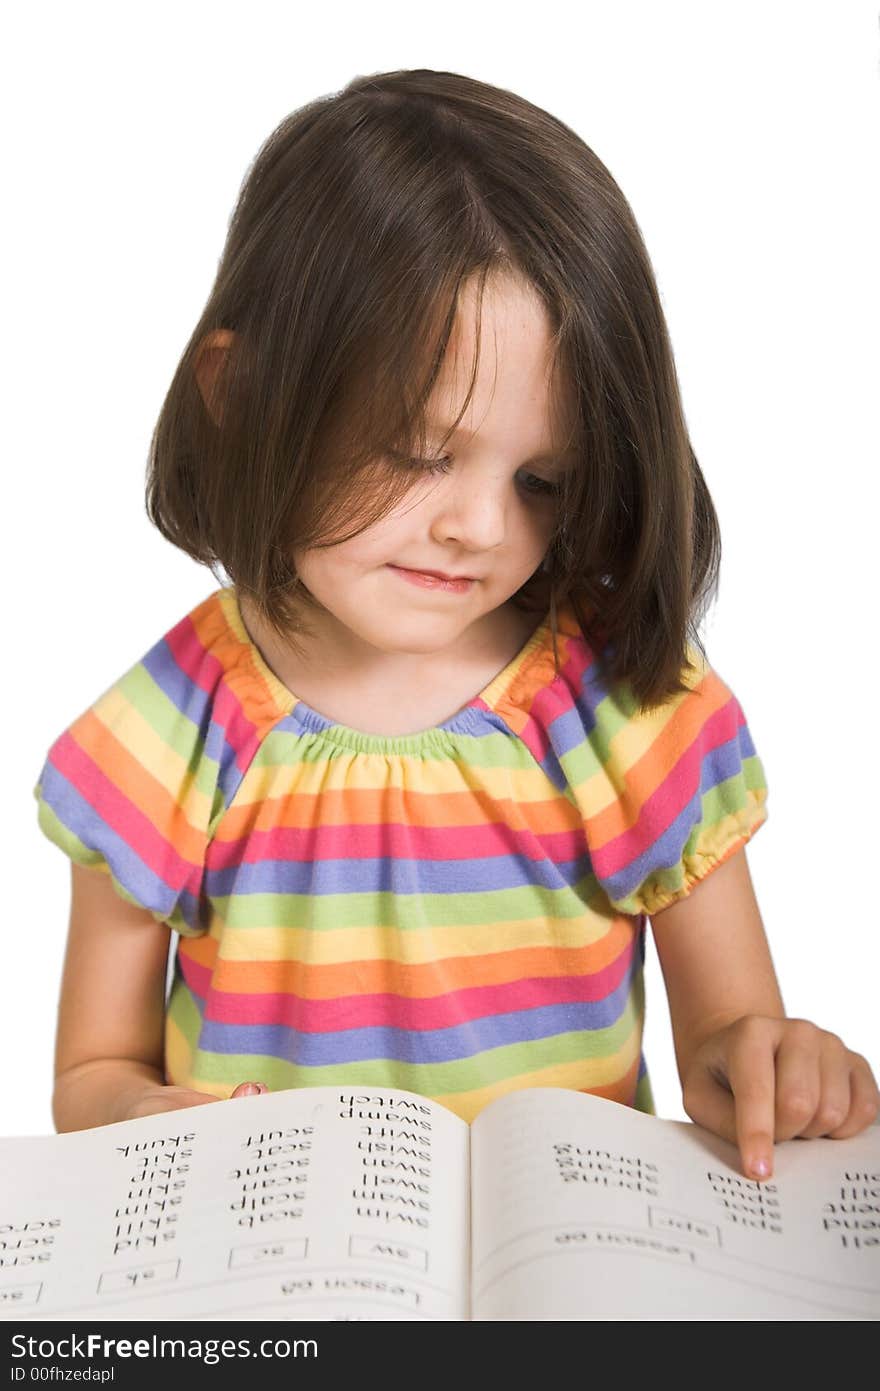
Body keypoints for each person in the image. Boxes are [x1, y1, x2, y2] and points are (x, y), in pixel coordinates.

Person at [34, 68, 878, 1181]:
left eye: (540, 478)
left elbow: (729, 1038)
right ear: (239, 396)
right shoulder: (165, 733)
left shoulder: (620, 700)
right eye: (421, 452)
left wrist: (775, 1062)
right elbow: (92, 1071)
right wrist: (141, 1116)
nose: (480, 525)